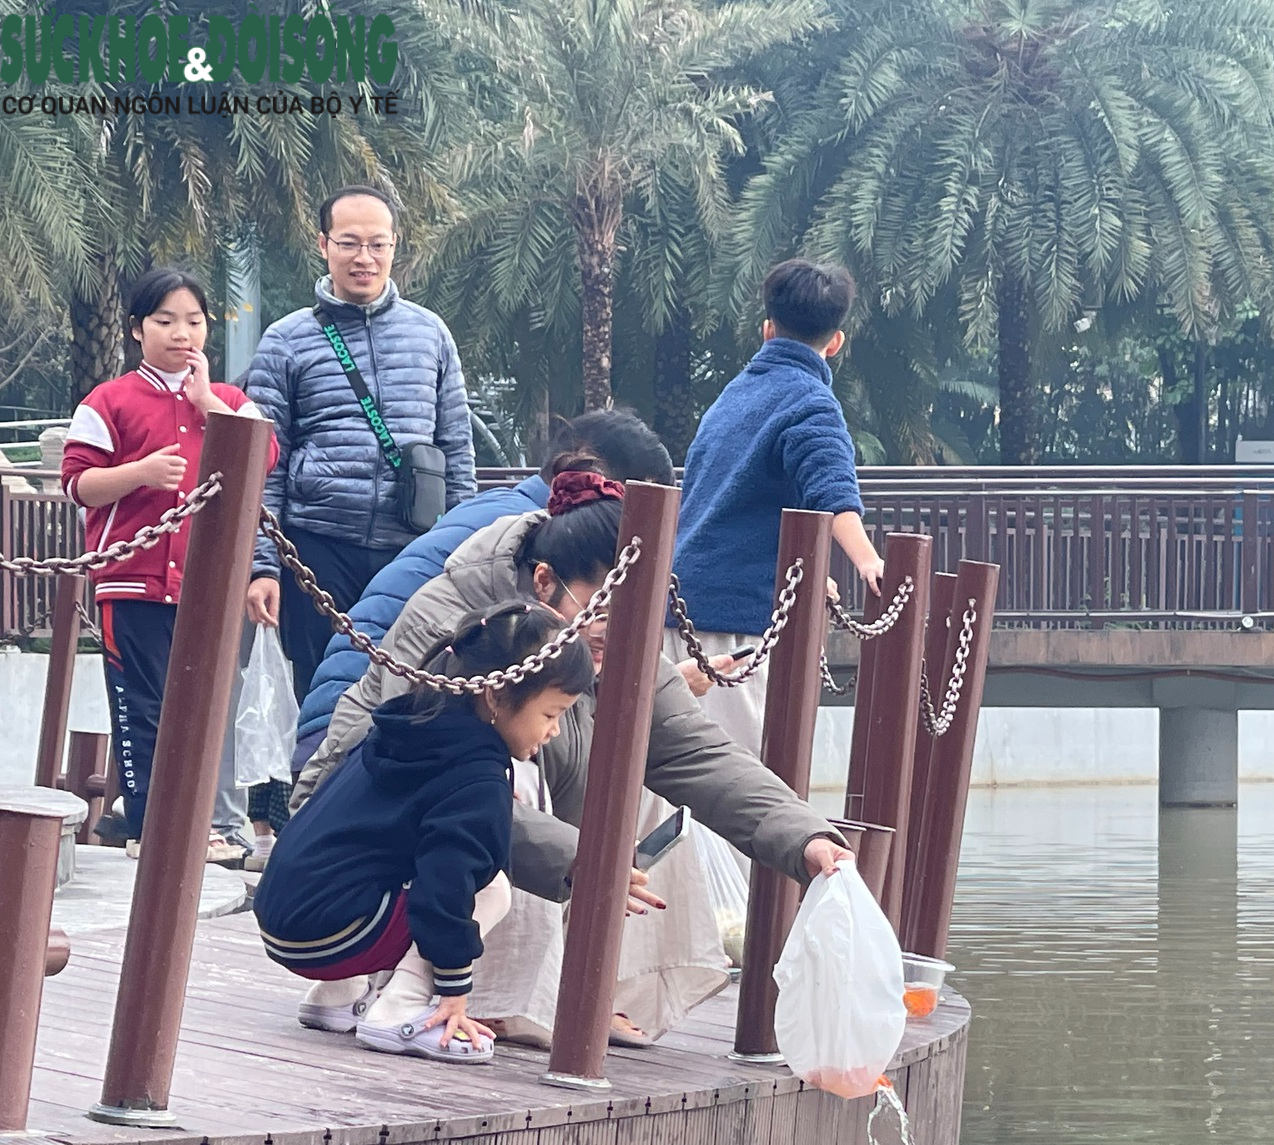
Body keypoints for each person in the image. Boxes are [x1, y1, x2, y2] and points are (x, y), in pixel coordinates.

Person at [291, 462, 851, 1035]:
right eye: (602, 608)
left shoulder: (616, 640)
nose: (615, 629)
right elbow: (425, 787)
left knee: (641, 791)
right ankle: (465, 997)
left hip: (402, 863)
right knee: (505, 785)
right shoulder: (461, 619)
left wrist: (804, 838)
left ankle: (569, 990)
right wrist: (584, 860)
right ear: (542, 583)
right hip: (361, 852)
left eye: (636, 612)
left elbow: (697, 756)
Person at [256, 604, 593, 1063]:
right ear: (495, 696)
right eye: (551, 713)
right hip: (337, 934)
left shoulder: (407, 722)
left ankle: (334, 998)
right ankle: (402, 1009)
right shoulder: (476, 775)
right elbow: (448, 886)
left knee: (383, 858)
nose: (553, 731)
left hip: (283, 920)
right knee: (491, 888)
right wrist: (452, 992)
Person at [292, 409, 690, 777]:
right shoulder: (520, 544)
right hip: (351, 730)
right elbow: (427, 748)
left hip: (353, 701)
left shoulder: (518, 524)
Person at [59, 267, 277, 863]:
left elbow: (266, 456)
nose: (182, 333)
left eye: (194, 321)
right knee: (141, 704)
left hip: (204, 589)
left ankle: (186, 824)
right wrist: (141, 474)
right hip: (130, 584)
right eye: (165, 320)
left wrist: (208, 403)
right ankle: (150, 825)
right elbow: (78, 484)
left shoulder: (230, 401)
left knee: (198, 705)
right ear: (136, 330)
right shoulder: (107, 401)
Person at [243, 184, 475, 699]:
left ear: (396, 245)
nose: (364, 258)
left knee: (409, 691)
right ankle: (315, 781)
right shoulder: (285, 340)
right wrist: (263, 566)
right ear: (323, 245)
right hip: (315, 547)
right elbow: (264, 468)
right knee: (320, 691)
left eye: (377, 244)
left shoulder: (431, 334)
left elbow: (456, 452)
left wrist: (461, 555)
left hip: (412, 548)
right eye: (349, 243)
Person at [669, 259, 885, 755]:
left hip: (678, 604)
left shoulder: (733, 394)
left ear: (767, 330)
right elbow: (833, 494)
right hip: (738, 621)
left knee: (673, 776)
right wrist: (868, 562)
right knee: (738, 780)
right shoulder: (811, 401)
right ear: (835, 344)